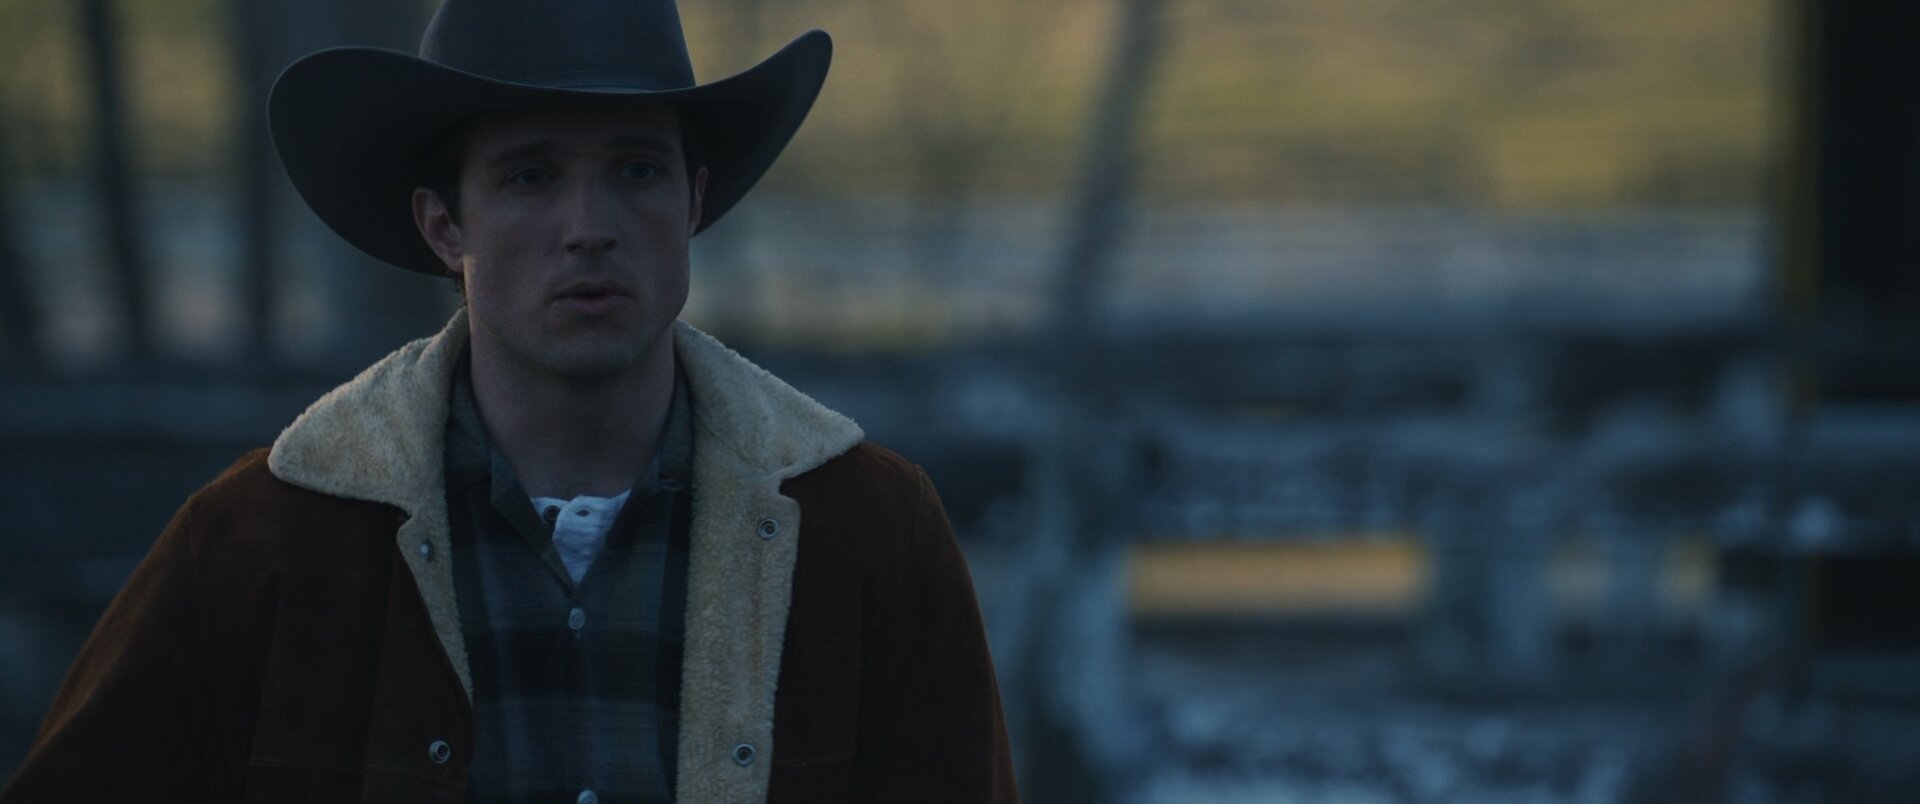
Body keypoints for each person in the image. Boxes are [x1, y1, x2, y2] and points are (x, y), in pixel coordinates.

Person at [0, 0, 1018, 801]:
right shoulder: (265, 542)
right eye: (531, 177)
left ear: (693, 202)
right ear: (445, 227)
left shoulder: (863, 531)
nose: (590, 225)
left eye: (637, 170)